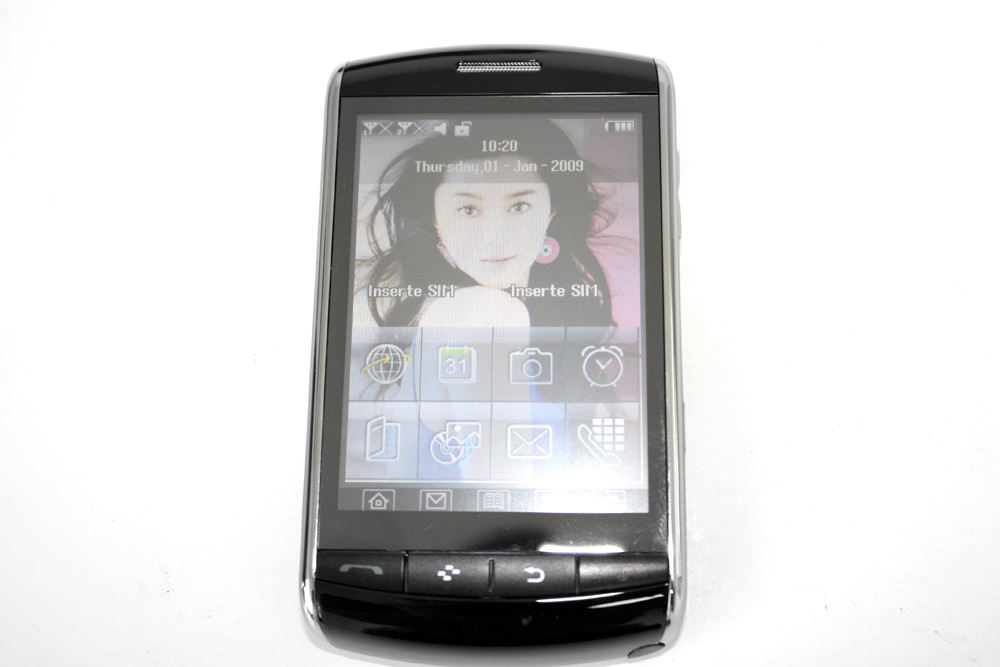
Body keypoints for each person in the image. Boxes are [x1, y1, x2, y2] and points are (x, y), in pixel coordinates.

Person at [358, 117, 617, 328]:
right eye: (468, 209)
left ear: (551, 210)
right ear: (435, 218)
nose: (494, 238)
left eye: (519, 206)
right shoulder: (487, 312)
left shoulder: (436, 307)